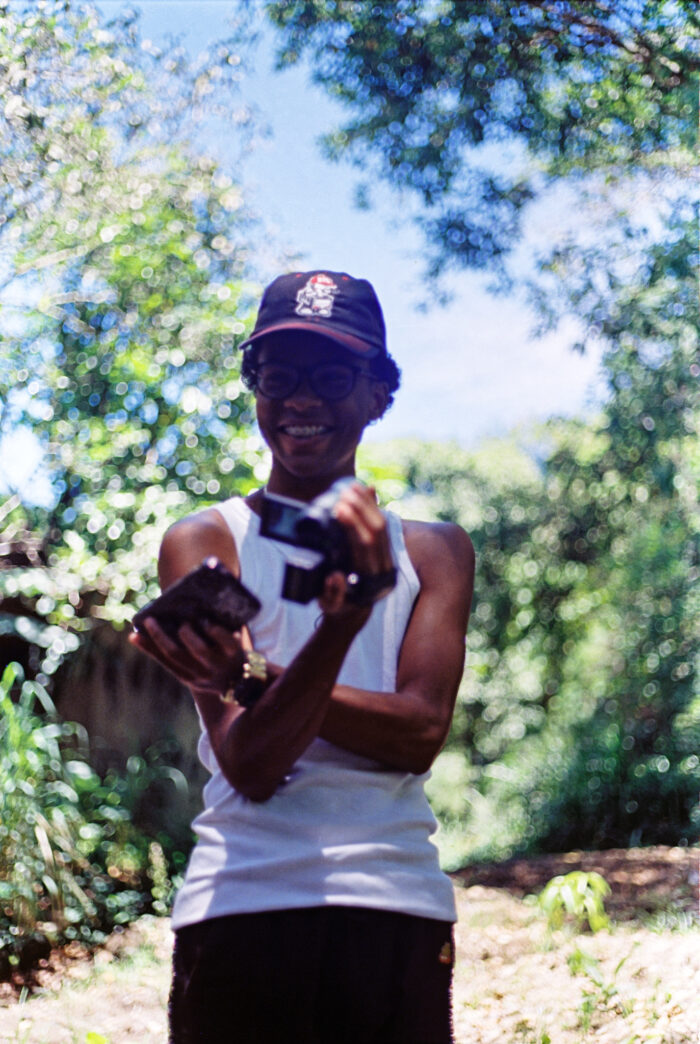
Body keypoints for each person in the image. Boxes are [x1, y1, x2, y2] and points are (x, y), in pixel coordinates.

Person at [129, 269, 475, 1044]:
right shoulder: (206, 539)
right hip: (242, 904)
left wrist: (258, 677)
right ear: (254, 387)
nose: (301, 400)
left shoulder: (435, 551)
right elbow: (251, 766)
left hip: (394, 906)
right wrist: (340, 628)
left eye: (331, 376)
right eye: (278, 375)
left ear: (379, 395)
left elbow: (419, 735)